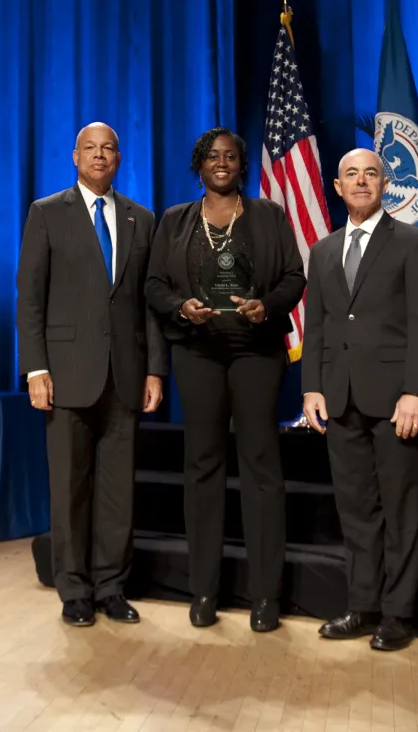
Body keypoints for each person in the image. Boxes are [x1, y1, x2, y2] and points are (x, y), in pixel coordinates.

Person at [145, 127, 305, 632]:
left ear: (240, 166)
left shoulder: (269, 216)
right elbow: (153, 284)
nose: (222, 163)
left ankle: (266, 596)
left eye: (230, 156)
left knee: (261, 467)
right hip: (198, 353)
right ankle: (204, 589)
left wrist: (267, 307)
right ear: (200, 165)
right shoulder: (175, 221)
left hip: (256, 352)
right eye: (213, 156)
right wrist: (180, 307)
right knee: (203, 466)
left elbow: (294, 277)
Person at [17, 122, 167, 627]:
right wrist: (36, 367)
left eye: (108, 149)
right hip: (65, 375)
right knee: (69, 487)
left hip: (125, 375)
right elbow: (30, 298)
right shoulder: (46, 213)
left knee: (117, 489)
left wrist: (154, 370)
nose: (99, 155)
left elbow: (150, 305)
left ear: (119, 159)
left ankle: (111, 587)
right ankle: (74, 590)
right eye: (90, 148)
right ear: (75, 157)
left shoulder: (141, 219)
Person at [302, 148, 418, 651]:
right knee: (356, 508)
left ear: (385, 184)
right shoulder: (322, 251)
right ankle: (361, 606)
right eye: (351, 175)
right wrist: (312, 386)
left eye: (371, 174)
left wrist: (415, 392)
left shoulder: (415, 243)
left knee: (401, 509)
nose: (361, 182)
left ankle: (397, 613)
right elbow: (316, 326)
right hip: (339, 400)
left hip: (395, 402)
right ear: (337, 188)